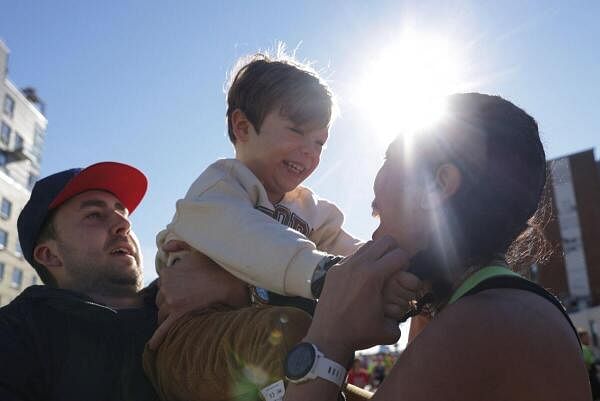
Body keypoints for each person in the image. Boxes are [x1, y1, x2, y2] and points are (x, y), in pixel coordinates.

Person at [280, 93, 592, 401]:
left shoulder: (480, 324)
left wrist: (329, 336)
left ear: (438, 185)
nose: (374, 233)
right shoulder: (501, 309)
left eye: (391, 157)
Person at [145, 52, 374, 401]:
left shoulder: (308, 208)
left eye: (320, 141)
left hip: (264, 344)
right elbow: (248, 236)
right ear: (242, 127)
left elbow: (349, 252)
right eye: (297, 131)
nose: (310, 151)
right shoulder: (221, 188)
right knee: (292, 333)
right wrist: (323, 272)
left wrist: (390, 271)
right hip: (192, 340)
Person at [0, 162, 248, 401]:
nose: (124, 224)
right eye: (94, 215)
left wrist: (237, 289)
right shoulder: (18, 333)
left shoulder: (198, 297)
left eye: (123, 213)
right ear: (50, 255)